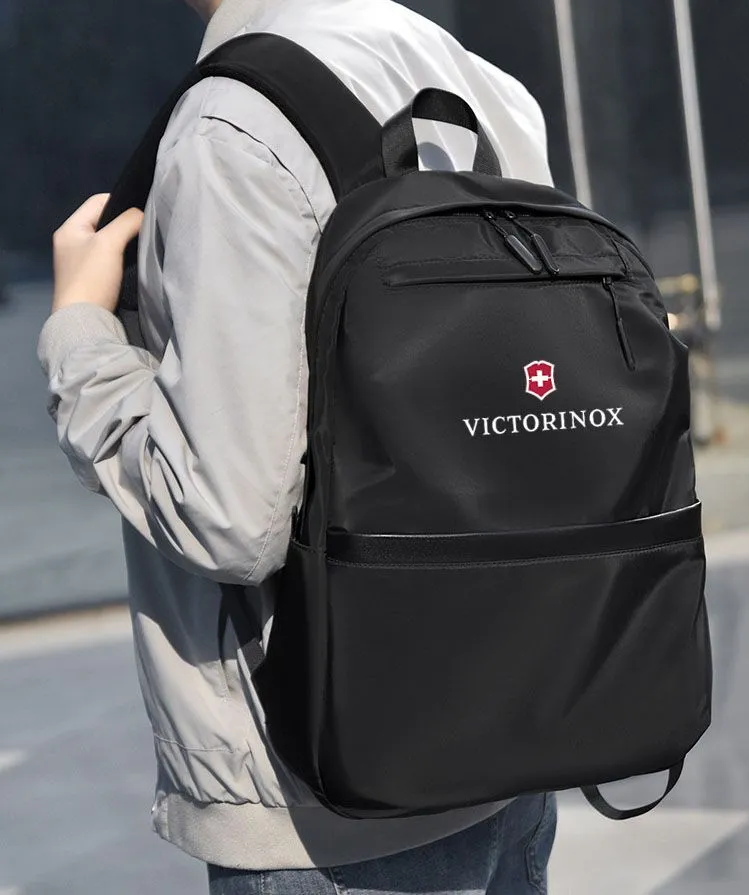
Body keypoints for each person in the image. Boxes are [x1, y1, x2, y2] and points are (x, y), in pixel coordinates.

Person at [38, 0, 557, 892]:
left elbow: (228, 519)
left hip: (323, 800)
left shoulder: (233, 126)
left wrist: (80, 332)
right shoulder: (473, 80)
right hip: (510, 740)